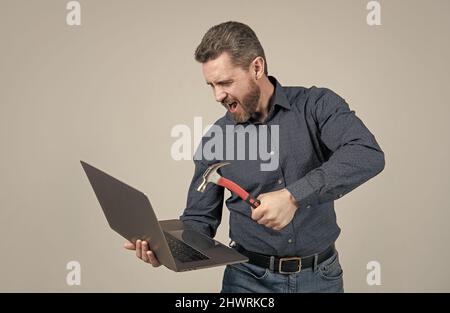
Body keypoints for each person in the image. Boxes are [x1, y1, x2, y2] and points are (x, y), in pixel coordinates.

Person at [124, 21, 385, 293]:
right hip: (246, 282)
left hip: (321, 278)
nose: (217, 95)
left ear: (257, 68)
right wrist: (166, 249)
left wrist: (293, 196)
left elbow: (366, 153)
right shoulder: (216, 138)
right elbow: (199, 221)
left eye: (225, 82)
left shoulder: (316, 105)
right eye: (211, 85)